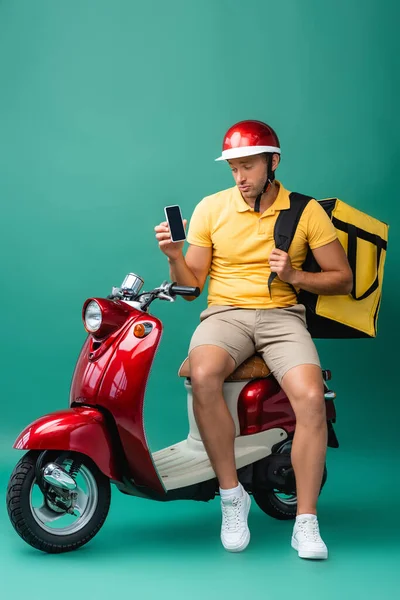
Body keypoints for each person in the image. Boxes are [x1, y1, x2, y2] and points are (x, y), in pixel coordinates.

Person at [154, 120, 353, 558]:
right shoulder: (211, 208)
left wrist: (295, 275)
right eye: (233, 169)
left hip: (282, 316)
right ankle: (232, 497)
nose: (240, 177)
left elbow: (343, 279)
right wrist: (173, 257)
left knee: (311, 397)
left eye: (247, 166)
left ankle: (306, 522)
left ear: (272, 163)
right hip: (226, 314)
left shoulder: (305, 211)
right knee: (203, 375)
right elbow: (191, 289)